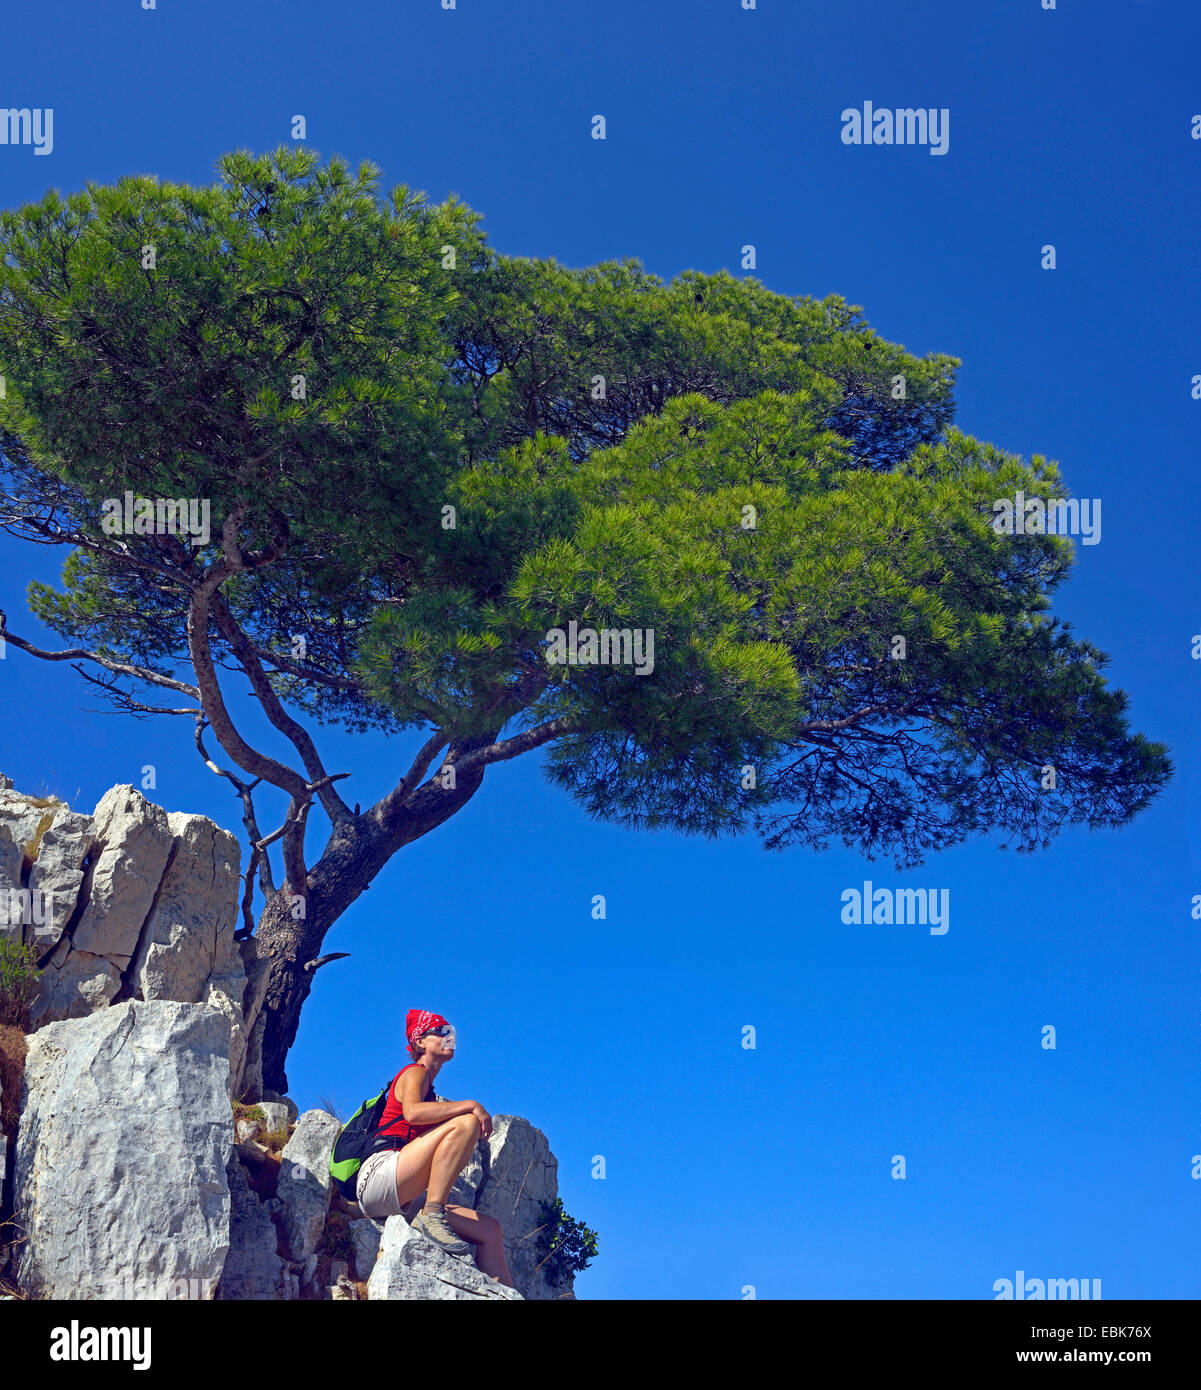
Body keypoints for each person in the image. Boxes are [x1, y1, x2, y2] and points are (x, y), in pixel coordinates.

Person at [354, 1008, 514, 1287]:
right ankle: (433, 1214)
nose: (448, 1037)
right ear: (419, 1043)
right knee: (466, 1124)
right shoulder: (414, 1073)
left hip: (402, 1193)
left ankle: (506, 1293)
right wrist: (471, 1105)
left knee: (490, 1230)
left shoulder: (430, 1090)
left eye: (449, 1031)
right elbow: (413, 1113)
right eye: (440, 1032)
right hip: (379, 1176)